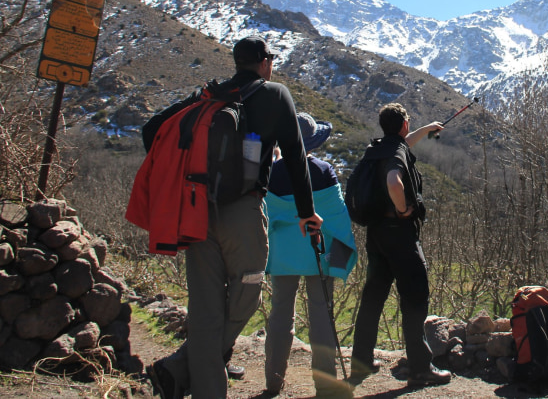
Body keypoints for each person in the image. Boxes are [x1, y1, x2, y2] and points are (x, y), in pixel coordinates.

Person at [146, 36, 323, 399]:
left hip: (196, 212)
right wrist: (307, 213)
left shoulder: (210, 95)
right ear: (264, 62)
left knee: (205, 310)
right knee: (248, 294)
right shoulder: (275, 95)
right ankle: (178, 366)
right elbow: (294, 156)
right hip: (243, 210)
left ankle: (187, 378)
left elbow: (152, 131)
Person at [346, 103, 451, 388]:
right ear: (403, 123)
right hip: (400, 234)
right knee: (415, 297)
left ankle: (361, 361)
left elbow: (402, 144)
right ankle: (420, 368)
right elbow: (394, 179)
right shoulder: (396, 152)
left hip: (377, 234)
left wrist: (427, 129)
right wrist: (403, 207)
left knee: (373, 297)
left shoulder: (378, 148)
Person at [264, 114, 358, 398]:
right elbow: (337, 217)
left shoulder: (270, 172)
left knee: (280, 313)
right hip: (318, 252)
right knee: (321, 314)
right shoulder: (322, 170)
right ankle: (326, 383)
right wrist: (341, 253)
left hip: (282, 254)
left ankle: (273, 382)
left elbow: (267, 212)